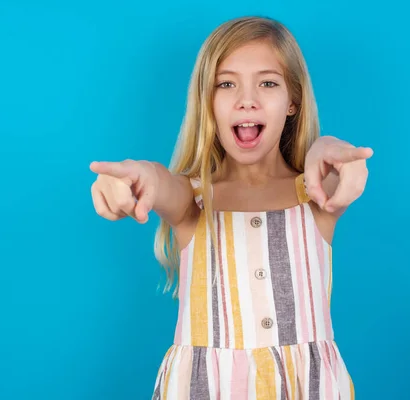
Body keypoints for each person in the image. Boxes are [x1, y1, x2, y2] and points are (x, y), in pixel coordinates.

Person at [90, 15, 373, 400]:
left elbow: (331, 164)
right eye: (226, 83)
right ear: (209, 102)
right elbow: (159, 181)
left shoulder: (316, 196)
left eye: (268, 82)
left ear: (293, 102)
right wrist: (134, 179)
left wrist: (332, 150)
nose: (247, 98)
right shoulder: (192, 202)